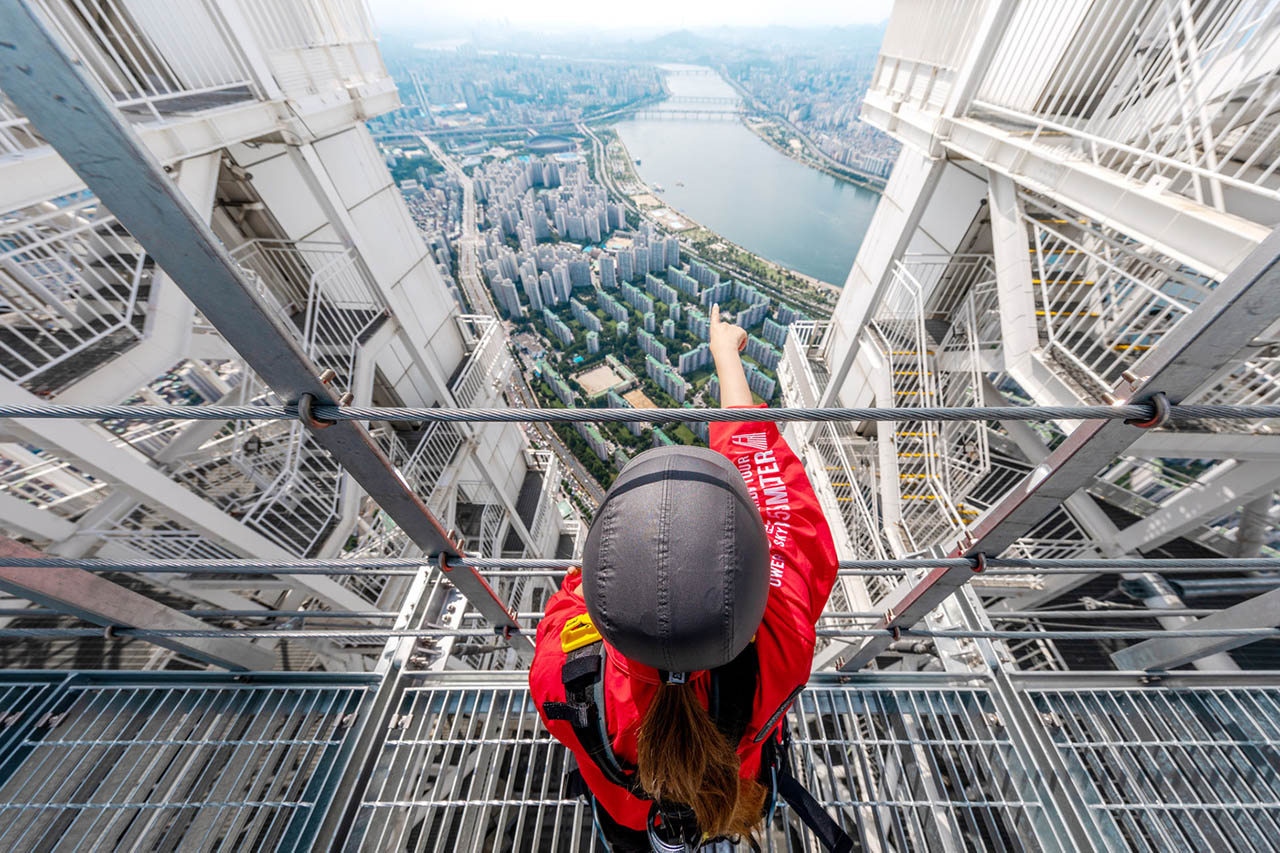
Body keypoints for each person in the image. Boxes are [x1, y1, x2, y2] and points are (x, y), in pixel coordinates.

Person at [530, 304, 845, 852]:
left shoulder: (563, 675)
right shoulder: (780, 641)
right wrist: (725, 354)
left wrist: (601, 575)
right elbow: (766, 479)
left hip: (626, 822)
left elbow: (569, 603)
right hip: (735, 802)